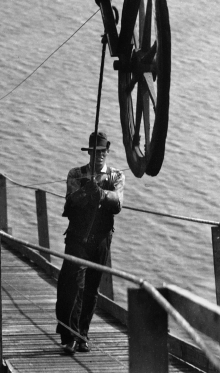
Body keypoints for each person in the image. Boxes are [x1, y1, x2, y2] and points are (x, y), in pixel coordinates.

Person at [54, 130, 125, 354]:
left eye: (103, 151)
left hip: (101, 239)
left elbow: (118, 202)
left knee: (92, 288)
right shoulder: (76, 174)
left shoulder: (116, 176)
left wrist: (103, 194)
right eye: (95, 151)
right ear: (90, 152)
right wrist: (87, 191)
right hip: (77, 236)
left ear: (107, 152)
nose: (99, 155)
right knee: (73, 284)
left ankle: (82, 334)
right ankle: (70, 335)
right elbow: (71, 200)